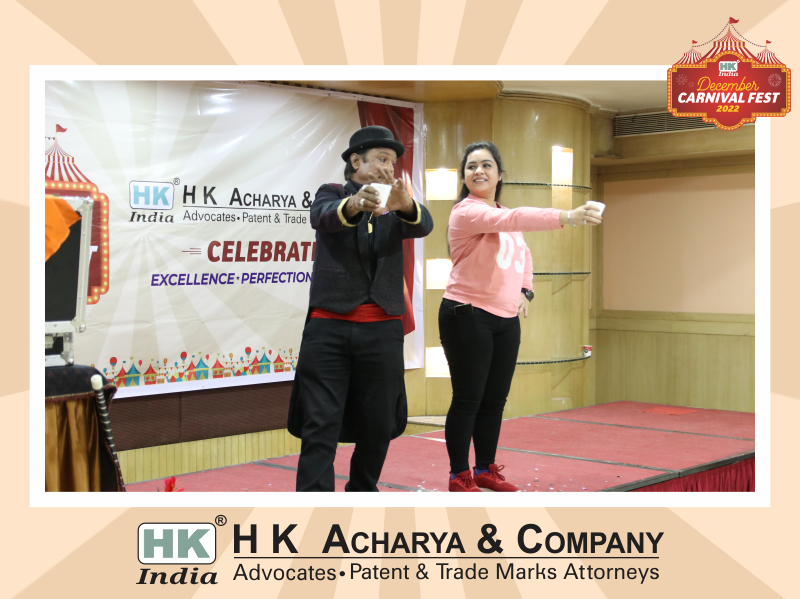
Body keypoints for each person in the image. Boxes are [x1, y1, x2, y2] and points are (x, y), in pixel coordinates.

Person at [440, 141, 602, 492]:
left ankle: (484, 469)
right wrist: (567, 216)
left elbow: (524, 255)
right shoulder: (466, 212)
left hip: (504, 318)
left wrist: (525, 291)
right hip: (467, 313)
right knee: (468, 398)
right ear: (464, 176)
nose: (479, 171)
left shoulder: (502, 212)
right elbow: (513, 219)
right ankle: (458, 475)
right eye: (471, 166)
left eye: (486, 165)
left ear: (499, 174)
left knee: (495, 399)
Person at [288, 125, 434, 492]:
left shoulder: (398, 204)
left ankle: (362, 494)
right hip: (328, 330)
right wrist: (355, 204)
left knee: (378, 425)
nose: (389, 166)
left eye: (393, 161)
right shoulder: (332, 194)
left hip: (383, 331)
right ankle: (314, 506)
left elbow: (425, 224)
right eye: (382, 158)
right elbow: (322, 216)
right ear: (356, 161)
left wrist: (405, 205)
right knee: (320, 425)